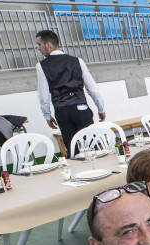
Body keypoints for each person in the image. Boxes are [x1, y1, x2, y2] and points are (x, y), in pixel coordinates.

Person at [35, 30, 105, 158]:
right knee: (90, 146)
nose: (38, 48)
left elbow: (43, 95)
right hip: (81, 107)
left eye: (39, 44)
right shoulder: (77, 61)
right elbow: (92, 88)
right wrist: (101, 108)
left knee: (72, 149)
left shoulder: (41, 66)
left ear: (48, 45)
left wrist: (47, 115)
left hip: (62, 111)